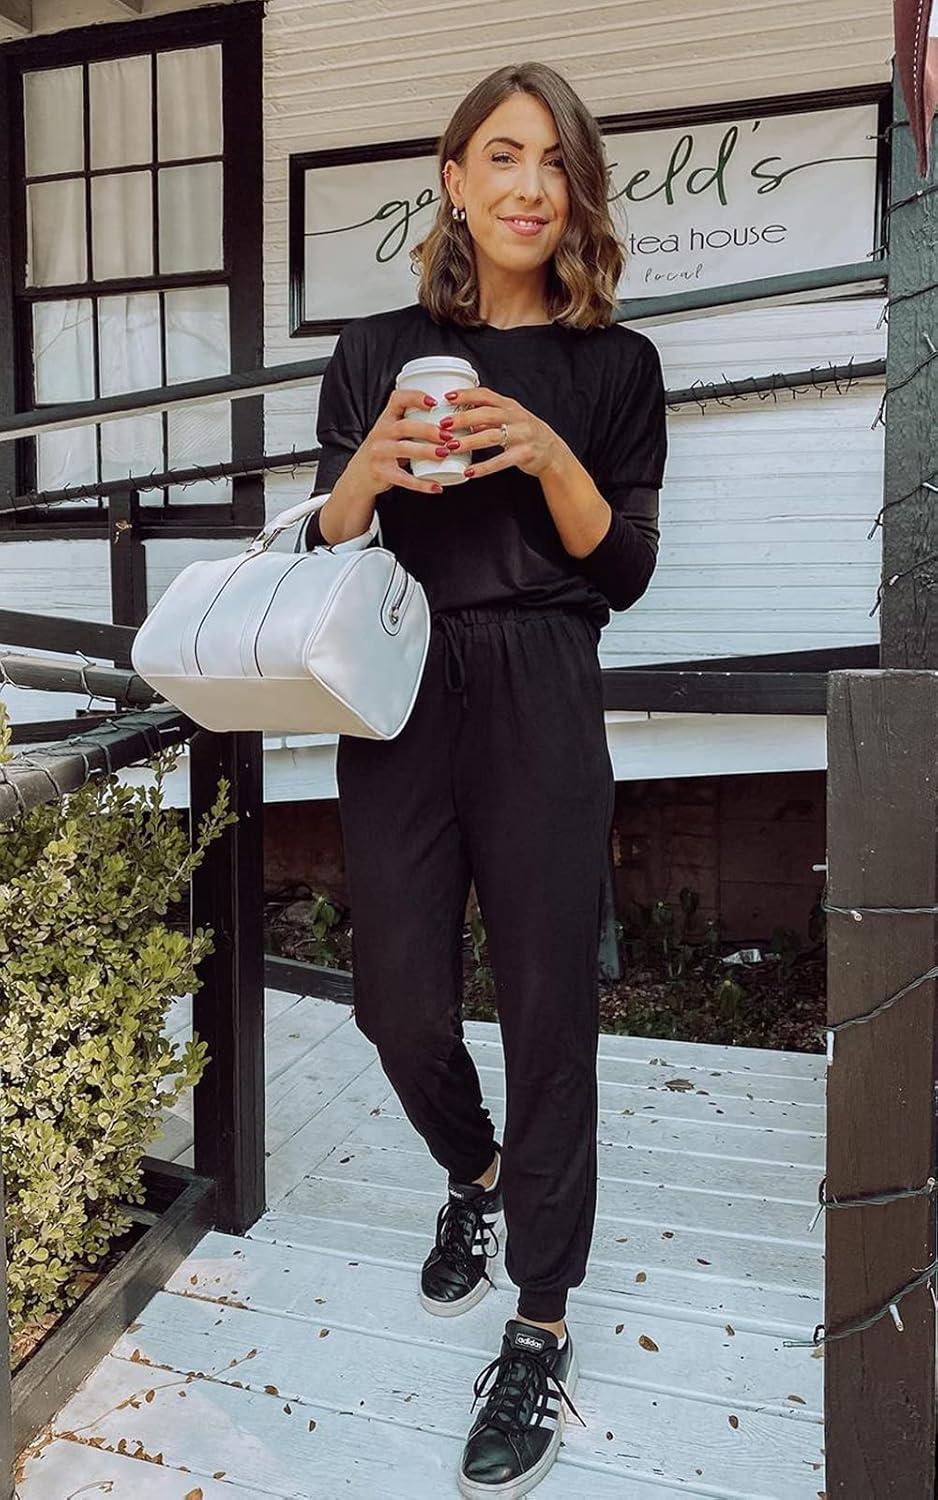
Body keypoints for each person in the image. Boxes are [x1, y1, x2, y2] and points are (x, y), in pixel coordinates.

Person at [299, 60, 666, 1499]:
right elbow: (324, 546)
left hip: (542, 686)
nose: (529, 185)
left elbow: (623, 571)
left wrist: (551, 453)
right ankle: (476, 1174)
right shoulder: (376, 351)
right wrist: (370, 471)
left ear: (578, 193)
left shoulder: (615, 368)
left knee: (548, 1009)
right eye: (502, 156)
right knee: (395, 1002)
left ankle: (540, 1317)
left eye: (555, 161)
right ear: (453, 179)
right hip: (397, 683)